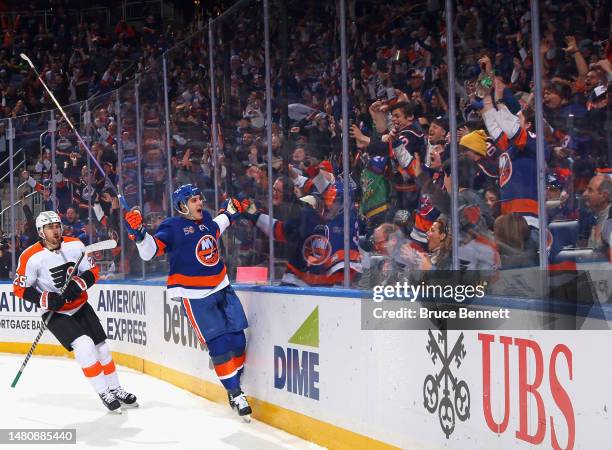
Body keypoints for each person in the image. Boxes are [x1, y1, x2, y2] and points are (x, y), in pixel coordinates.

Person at [124, 184, 252, 418]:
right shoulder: (172, 226)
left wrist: (233, 208)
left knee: (238, 340)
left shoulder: (207, 222)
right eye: (193, 200)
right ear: (183, 205)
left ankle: (234, 376)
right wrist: (140, 234)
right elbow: (150, 252)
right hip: (196, 297)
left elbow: (223, 220)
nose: (199, 203)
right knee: (219, 345)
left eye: (199, 198)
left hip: (222, 288)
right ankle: (235, 392)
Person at [12, 211, 136, 413]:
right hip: (55, 313)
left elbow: (92, 271)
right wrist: (47, 298)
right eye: (50, 227)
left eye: (57, 225)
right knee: (84, 345)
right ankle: (104, 391)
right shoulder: (30, 257)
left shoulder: (76, 245)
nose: (56, 230)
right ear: (41, 232)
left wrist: (79, 284)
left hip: (80, 305)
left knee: (102, 348)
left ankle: (116, 389)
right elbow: (20, 288)